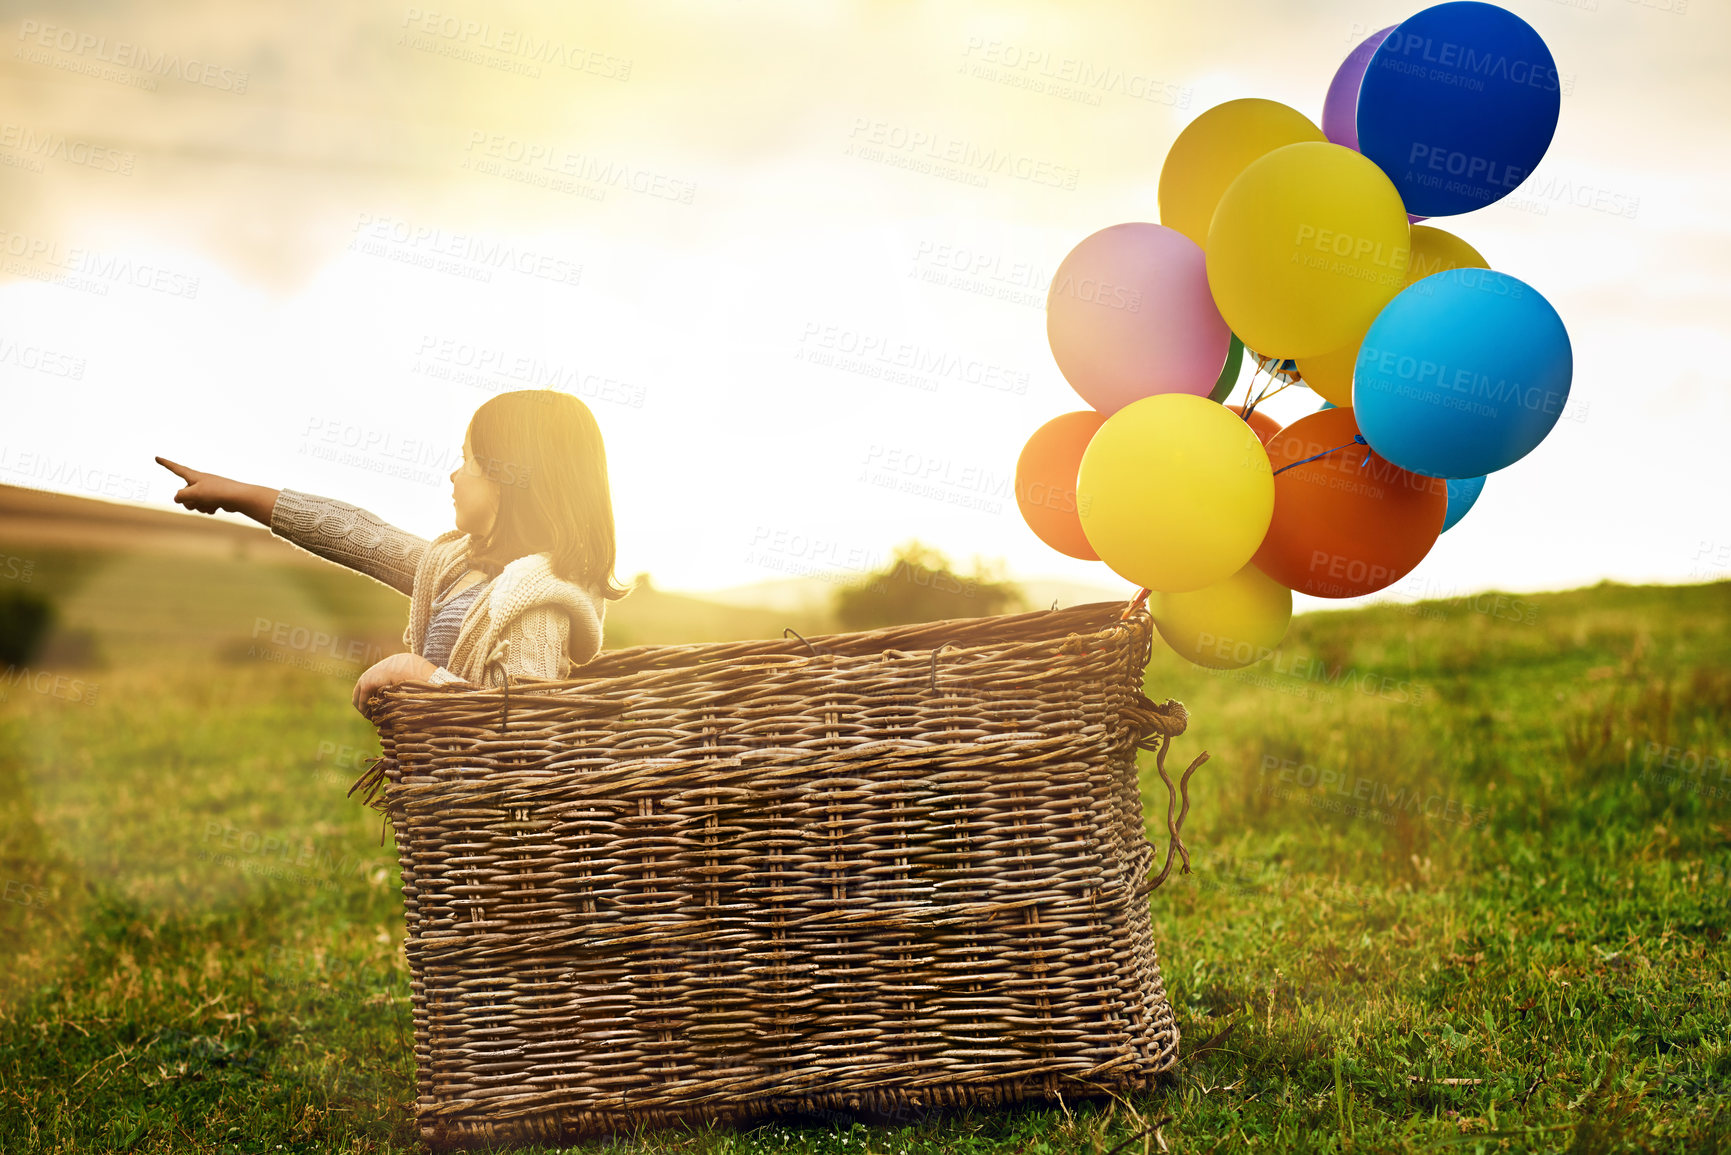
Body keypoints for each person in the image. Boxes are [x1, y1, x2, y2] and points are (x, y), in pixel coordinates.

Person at [155, 389, 630, 716]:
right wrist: (238, 494)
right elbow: (359, 535)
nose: (454, 474)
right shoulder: (455, 569)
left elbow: (523, 731)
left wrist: (415, 671)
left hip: (501, 847)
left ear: (510, 479)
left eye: (467, 459)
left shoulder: (539, 602)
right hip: (444, 827)